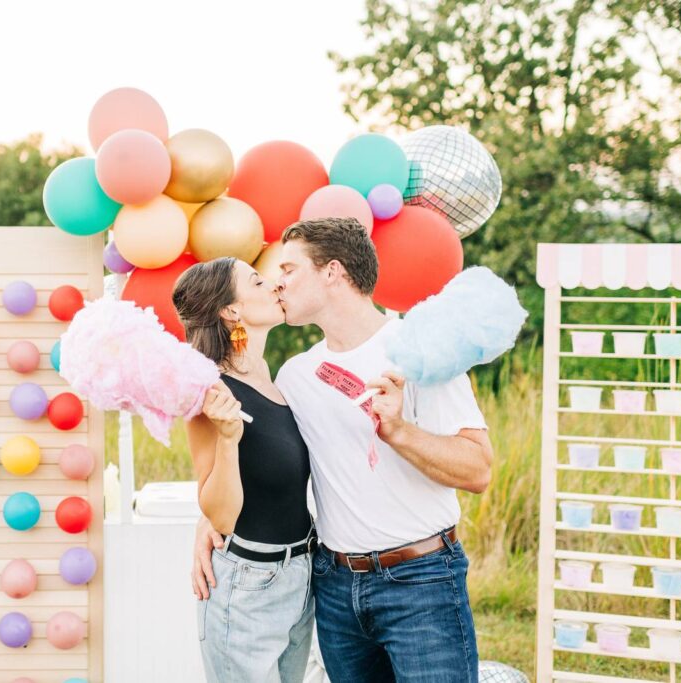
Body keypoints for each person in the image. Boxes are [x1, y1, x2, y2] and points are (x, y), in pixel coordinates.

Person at [192, 217, 493, 683]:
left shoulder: (418, 352)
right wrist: (207, 521)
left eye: (289, 270)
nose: (278, 282)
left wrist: (399, 431)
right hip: (333, 589)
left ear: (332, 272)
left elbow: (479, 470)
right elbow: (271, 459)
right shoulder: (295, 375)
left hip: (420, 583)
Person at [173, 256, 315, 683]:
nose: (273, 285)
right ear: (231, 311)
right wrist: (229, 440)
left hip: (303, 574)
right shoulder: (207, 391)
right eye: (257, 281)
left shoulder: (276, 379)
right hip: (248, 585)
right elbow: (220, 515)